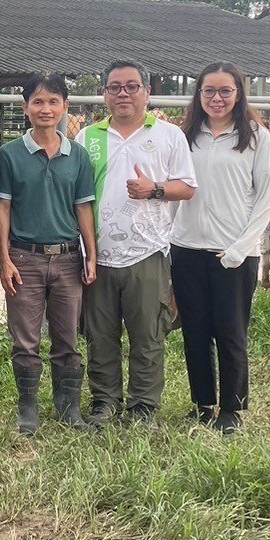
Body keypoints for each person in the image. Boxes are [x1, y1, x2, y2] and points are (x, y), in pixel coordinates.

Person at [76, 60, 196, 427]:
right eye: (114, 87)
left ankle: (143, 405)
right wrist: (86, 251)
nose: (123, 93)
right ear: (104, 94)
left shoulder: (168, 135)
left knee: (148, 334)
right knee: (100, 334)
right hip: (98, 254)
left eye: (131, 86)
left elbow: (187, 187)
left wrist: (154, 190)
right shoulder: (87, 137)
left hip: (149, 251)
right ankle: (105, 401)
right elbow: (78, 196)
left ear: (147, 92)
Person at [171, 62, 270, 435]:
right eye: (209, 91)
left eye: (225, 91)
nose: (216, 99)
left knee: (231, 332)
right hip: (186, 248)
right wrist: (170, 239)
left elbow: (265, 200)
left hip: (233, 253)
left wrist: (239, 249)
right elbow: (173, 192)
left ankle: (231, 409)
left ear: (238, 93)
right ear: (198, 95)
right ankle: (202, 403)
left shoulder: (255, 138)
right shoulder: (185, 136)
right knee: (194, 331)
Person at [0, 72, 98, 435]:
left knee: (68, 337)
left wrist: (91, 253)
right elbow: (3, 209)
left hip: (69, 258)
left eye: (54, 101)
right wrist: (4, 257)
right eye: (38, 102)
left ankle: (68, 409)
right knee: (25, 339)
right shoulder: (9, 154)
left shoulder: (78, 156)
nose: (46, 108)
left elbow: (83, 207)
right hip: (25, 258)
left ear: (66, 108)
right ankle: (28, 410)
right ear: (25, 108)